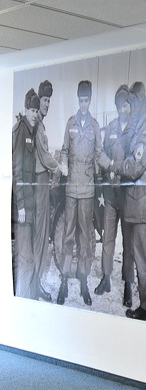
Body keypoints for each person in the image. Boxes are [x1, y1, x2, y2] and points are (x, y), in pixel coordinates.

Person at [103, 82, 146, 322]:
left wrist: (114, 166)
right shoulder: (139, 129)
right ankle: (145, 306)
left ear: (143, 104)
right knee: (141, 259)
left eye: (134, 104)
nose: (131, 108)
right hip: (137, 205)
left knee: (145, 262)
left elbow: (135, 166)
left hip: (143, 207)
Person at [57, 80, 102, 306]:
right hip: (71, 188)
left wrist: (113, 165)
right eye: (80, 100)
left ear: (90, 100)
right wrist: (63, 163)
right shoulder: (70, 123)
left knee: (85, 238)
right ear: (77, 99)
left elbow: (99, 154)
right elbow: (64, 150)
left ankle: (83, 280)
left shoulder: (94, 126)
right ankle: (64, 279)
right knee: (68, 235)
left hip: (87, 190)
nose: (83, 104)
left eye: (86, 100)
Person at [95, 85, 136, 307]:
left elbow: (136, 161)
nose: (123, 108)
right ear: (116, 107)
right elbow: (100, 154)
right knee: (107, 239)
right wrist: (107, 165)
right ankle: (106, 278)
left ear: (130, 106)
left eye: (126, 104)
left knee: (128, 243)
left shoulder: (135, 129)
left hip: (127, 195)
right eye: (119, 105)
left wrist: (117, 167)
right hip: (111, 195)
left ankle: (128, 284)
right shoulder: (110, 128)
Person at [12, 89, 51, 301]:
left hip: (29, 204)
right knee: (25, 259)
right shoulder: (20, 131)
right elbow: (17, 172)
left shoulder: (32, 130)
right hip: (23, 206)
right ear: (26, 109)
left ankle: (29, 295)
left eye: (37, 110)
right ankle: (24, 300)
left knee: (28, 257)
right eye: (32, 110)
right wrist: (20, 206)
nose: (35, 114)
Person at [30, 80, 62, 300]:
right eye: (44, 100)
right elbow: (43, 155)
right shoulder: (37, 125)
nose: (47, 104)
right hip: (39, 183)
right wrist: (59, 167)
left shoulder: (40, 124)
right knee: (40, 235)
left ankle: (35, 282)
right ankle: (34, 285)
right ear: (38, 100)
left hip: (41, 183)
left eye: (49, 100)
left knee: (41, 234)